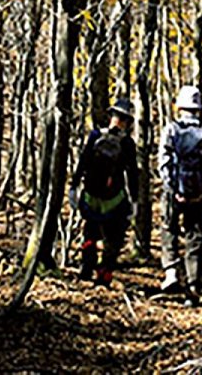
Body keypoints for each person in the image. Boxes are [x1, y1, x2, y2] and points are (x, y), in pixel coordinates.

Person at [158, 84, 202, 307]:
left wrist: (173, 189)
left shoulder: (171, 130)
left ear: (180, 106)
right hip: (198, 195)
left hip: (173, 192)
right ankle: (193, 287)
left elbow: (163, 162)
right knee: (195, 236)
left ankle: (171, 271)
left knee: (168, 228)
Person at [69, 95, 139, 287]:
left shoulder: (95, 135)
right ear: (127, 121)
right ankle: (104, 273)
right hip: (114, 200)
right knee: (114, 239)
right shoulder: (127, 144)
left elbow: (83, 162)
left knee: (90, 233)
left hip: (91, 197)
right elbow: (132, 173)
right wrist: (135, 200)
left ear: (111, 116)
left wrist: (74, 186)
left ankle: (86, 267)